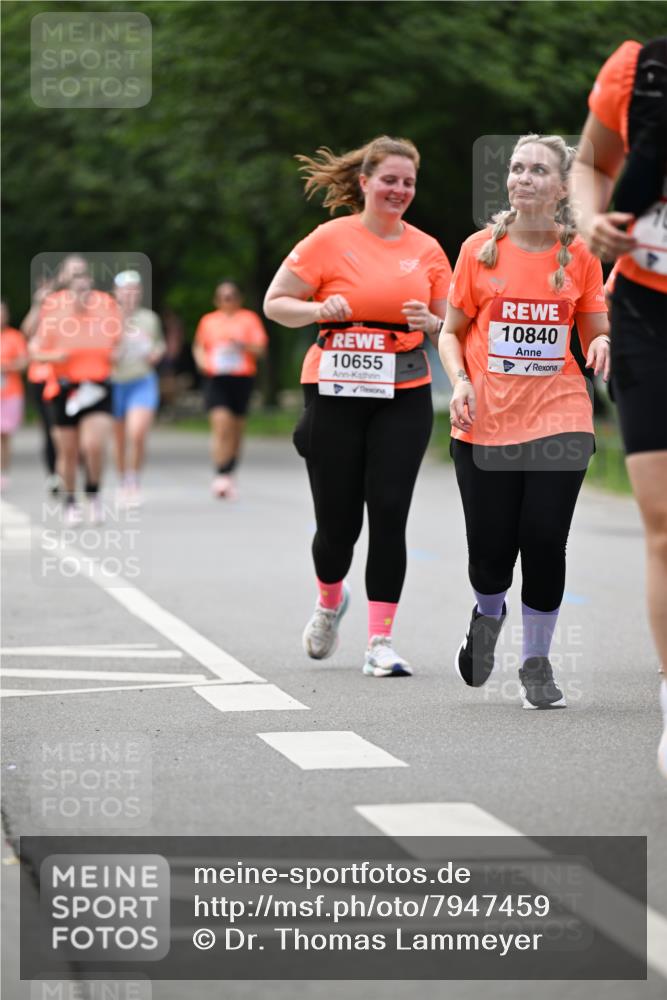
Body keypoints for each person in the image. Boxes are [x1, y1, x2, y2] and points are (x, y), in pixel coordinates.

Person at [264, 135, 452, 677]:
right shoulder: (329, 239)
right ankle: (329, 601)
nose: (399, 190)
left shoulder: (428, 250)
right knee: (337, 525)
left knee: (390, 514)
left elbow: (452, 331)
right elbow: (276, 303)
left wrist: (434, 323)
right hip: (334, 388)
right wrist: (322, 306)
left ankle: (380, 642)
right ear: (365, 182)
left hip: (404, 389)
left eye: (408, 182)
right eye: (389, 180)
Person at [439, 134, 609, 708]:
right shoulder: (477, 250)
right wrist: (461, 381)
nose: (524, 177)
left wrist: (604, 344)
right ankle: (488, 614)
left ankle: (536, 662)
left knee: (543, 538)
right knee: (490, 552)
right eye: (516, 168)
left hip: (560, 413)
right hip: (485, 420)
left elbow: (593, 328)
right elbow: (450, 333)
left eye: (538, 169)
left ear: (561, 187)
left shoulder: (580, 254)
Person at [570, 37, 667, 773]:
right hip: (644, 313)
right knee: (662, 520)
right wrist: (590, 220)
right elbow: (591, 165)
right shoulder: (639, 70)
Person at [30, 258, 121, 524]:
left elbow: (119, 342)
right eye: (77, 288)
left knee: (93, 445)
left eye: (87, 288)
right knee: (68, 452)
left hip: (96, 386)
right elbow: (34, 347)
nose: (83, 294)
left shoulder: (105, 307)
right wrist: (53, 355)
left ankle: (93, 493)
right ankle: (71, 501)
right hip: (63, 387)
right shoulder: (54, 309)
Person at [21, 255, 90, 493]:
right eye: (72, 272)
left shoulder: (89, 304)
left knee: (84, 430)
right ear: (62, 275)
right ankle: (56, 475)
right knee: (54, 431)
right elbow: (28, 333)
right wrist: (38, 304)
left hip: (81, 377)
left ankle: (75, 471)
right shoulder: (49, 301)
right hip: (46, 376)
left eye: (81, 272)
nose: (76, 277)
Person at [193, 281, 268, 498]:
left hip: (241, 378)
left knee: (236, 429)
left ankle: (230, 470)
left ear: (239, 298)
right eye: (223, 296)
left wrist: (241, 345)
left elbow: (261, 349)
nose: (228, 300)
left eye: (232, 296)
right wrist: (202, 362)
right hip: (216, 378)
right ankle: (220, 473)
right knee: (221, 425)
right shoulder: (208, 321)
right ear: (217, 300)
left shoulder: (249, 319)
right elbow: (199, 345)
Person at [112, 270, 166, 505]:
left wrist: (156, 353)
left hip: (142, 380)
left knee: (138, 432)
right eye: (126, 290)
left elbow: (159, 344)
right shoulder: (106, 318)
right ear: (117, 293)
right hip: (114, 383)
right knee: (119, 438)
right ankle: (123, 480)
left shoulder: (149, 319)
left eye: (135, 290)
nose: (131, 295)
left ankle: (133, 480)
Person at [0, 301, 28, 490]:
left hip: (10, 392)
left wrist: (7, 367)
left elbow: (25, 362)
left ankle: (3, 472)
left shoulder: (14, 336)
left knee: (4, 435)